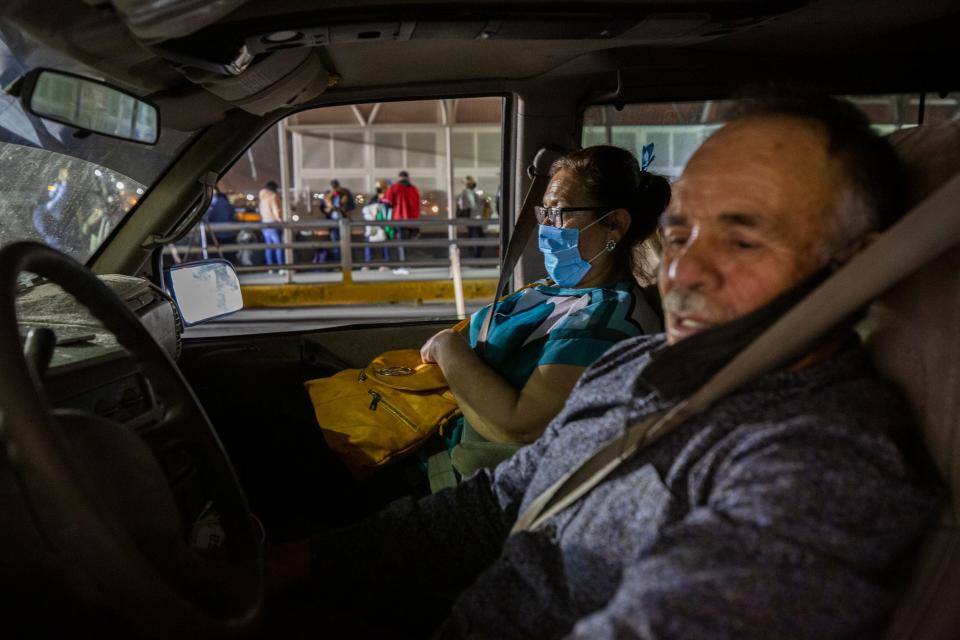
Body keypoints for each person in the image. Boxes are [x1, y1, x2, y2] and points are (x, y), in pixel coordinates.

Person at [271, 91, 939, 639]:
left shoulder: (820, 464)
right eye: (679, 233)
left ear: (853, 268)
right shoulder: (642, 361)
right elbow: (493, 506)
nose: (682, 271)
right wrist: (300, 562)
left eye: (742, 238)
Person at [381, 170, 420, 269]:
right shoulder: (414, 189)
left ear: (399, 178)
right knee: (407, 242)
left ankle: (403, 264)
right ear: (408, 178)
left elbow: (387, 202)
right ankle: (407, 263)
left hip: (399, 218)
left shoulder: (394, 187)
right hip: (412, 221)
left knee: (401, 242)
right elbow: (417, 204)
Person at [318, 179, 355, 263]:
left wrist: (342, 209)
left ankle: (347, 262)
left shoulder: (345, 193)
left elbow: (351, 206)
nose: (335, 190)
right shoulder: (327, 195)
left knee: (346, 241)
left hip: (344, 220)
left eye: (336, 187)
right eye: (333, 188)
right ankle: (338, 262)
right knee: (335, 242)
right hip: (332, 220)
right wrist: (328, 209)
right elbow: (322, 207)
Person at [360, 180, 392, 266]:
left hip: (384, 222)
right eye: (377, 187)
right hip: (373, 223)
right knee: (368, 240)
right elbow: (368, 207)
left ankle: (386, 263)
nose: (378, 189)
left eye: (379, 187)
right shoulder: (374, 198)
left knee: (386, 240)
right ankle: (368, 262)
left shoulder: (388, 196)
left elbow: (389, 207)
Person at [455, 175, 485, 258]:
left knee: (476, 235)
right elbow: (469, 205)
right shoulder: (467, 192)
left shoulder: (472, 192)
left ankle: (475, 255)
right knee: (476, 235)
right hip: (472, 218)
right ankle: (475, 255)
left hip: (474, 217)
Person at [258, 180, 284, 267]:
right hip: (273, 223)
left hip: (264, 222)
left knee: (268, 246)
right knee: (278, 246)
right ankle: (281, 267)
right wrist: (281, 220)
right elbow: (276, 210)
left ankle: (270, 267)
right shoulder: (273, 196)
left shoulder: (262, 195)